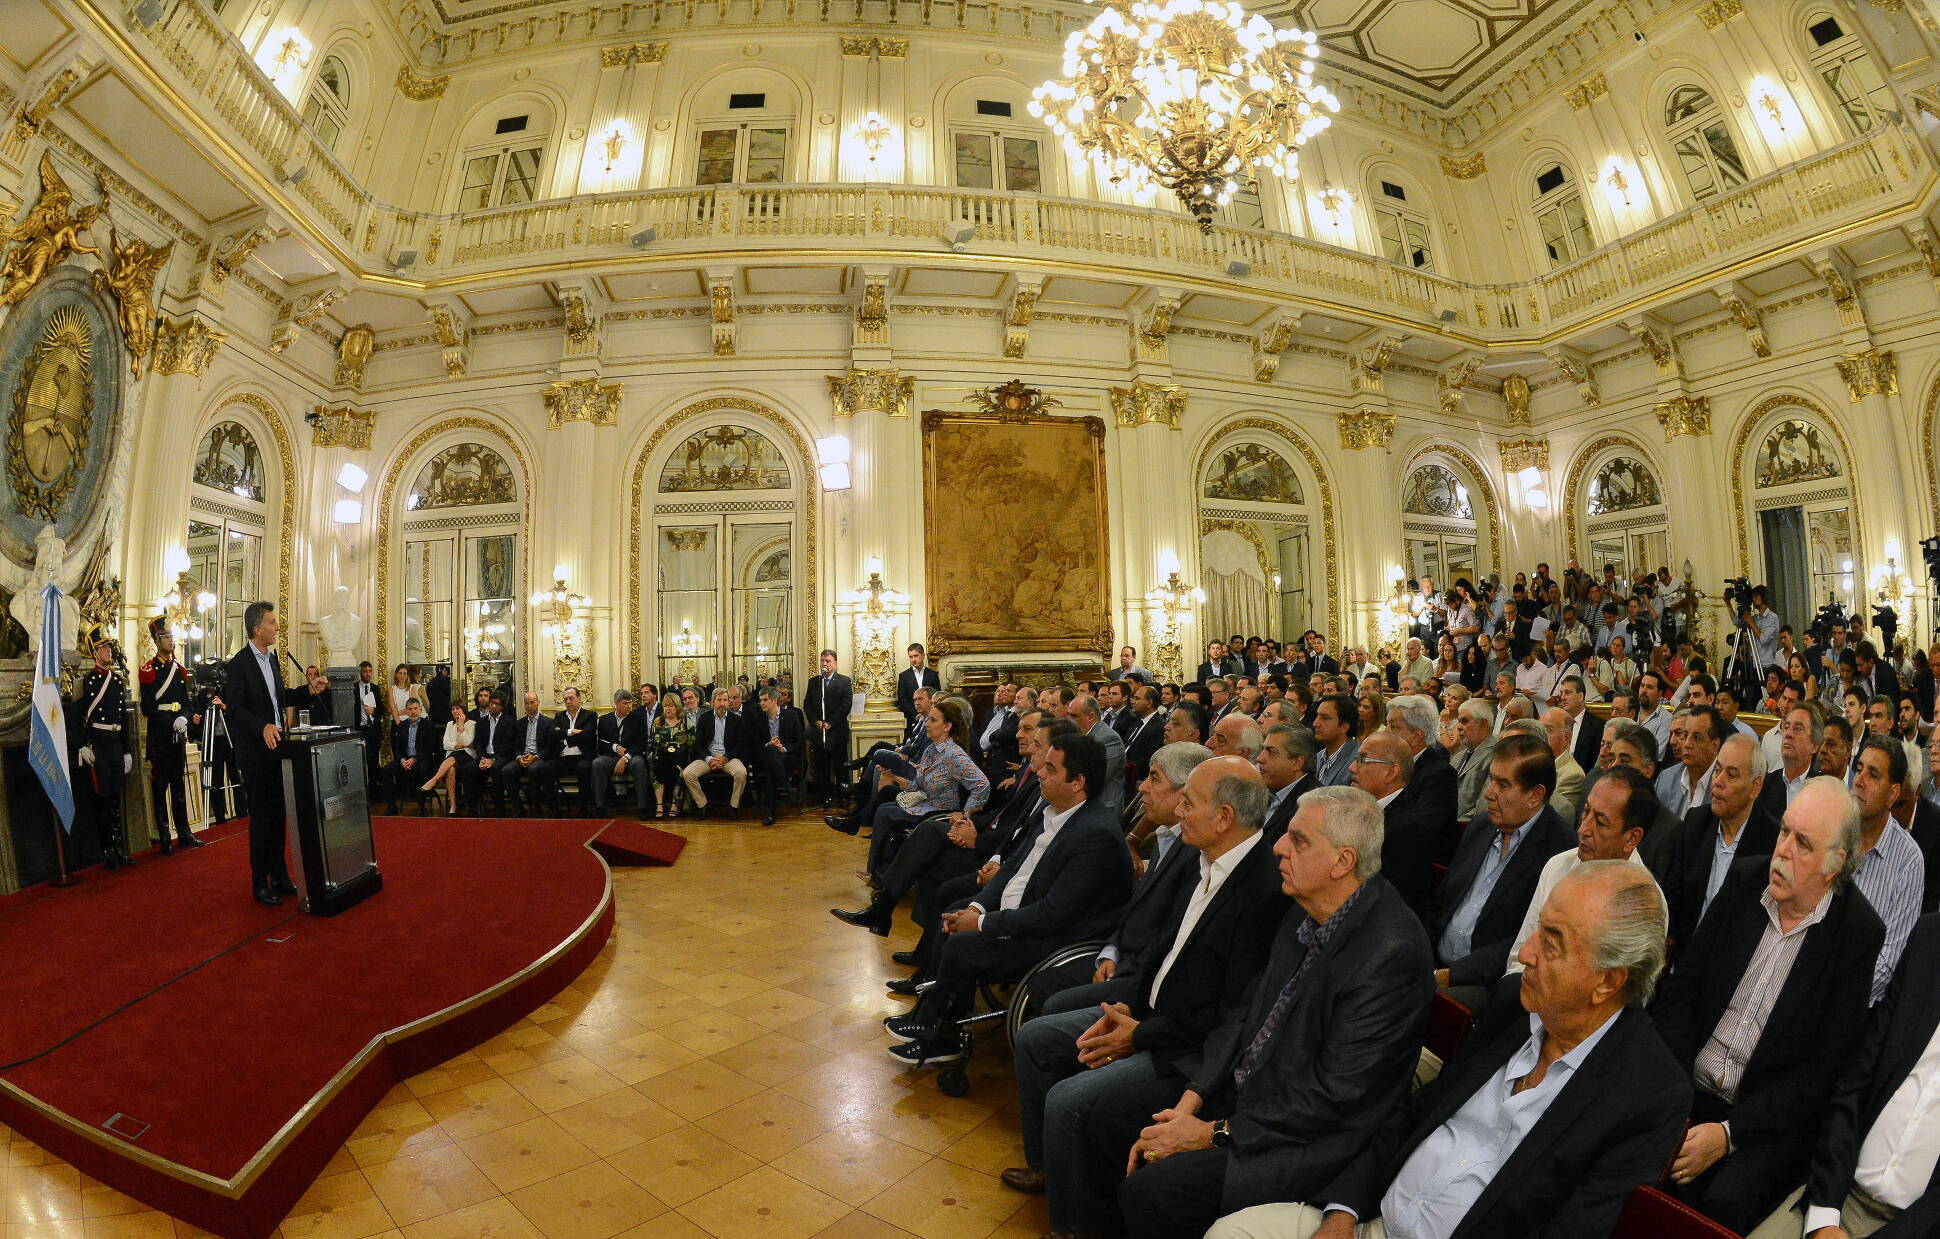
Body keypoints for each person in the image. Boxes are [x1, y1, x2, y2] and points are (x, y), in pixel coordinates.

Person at [1209, 862, 1687, 1239]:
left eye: (1554, 943)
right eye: (1539, 930)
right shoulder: (1512, 1006)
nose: (1527, 953)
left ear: (1607, 980)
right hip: (1369, 1224)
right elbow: (1414, 1115)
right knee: (1230, 1232)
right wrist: (1342, 1213)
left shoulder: (1647, 1093)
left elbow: (1573, 1230)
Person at [1097, 786, 1433, 1239]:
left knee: (1157, 1190)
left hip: (1304, 1140)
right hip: (1247, 1096)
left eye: (1298, 840)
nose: (1278, 846)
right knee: (1112, 1114)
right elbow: (1244, 1015)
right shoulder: (1305, 907)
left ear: (1343, 862)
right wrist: (1190, 1101)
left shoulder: (1391, 953)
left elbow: (1333, 1097)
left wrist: (1210, 1132)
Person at [1009, 757, 1293, 1234]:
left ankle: (1076, 1226)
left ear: (1224, 817)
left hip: (1184, 1047)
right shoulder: (1203, 860)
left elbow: (1229, 1014)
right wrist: (1128, 1006)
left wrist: (1139, 1035)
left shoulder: (1261, 890)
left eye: (1190, 801)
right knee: (1040, 1037)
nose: (1178, 810)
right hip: (1148, 1016)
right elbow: (1164, 952)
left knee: (1068, 1101)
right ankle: (1054, 1173)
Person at [1651, 777, 1885, 1233]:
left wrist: (1729, 1135)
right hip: (1684, 1084)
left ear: (1835, 864)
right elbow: (1683, 994)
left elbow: (1821, 1073)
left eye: (1803, 844)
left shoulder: (1856, 934)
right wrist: (1673, 1099)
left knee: (1722, 1208)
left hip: (1759, 1121)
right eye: (1784, 832)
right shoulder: (1745, 879)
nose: (1782, 852)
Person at [885, 733, 1134, 1066]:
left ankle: (940, 1032)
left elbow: (1052, 915)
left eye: (1051, 768)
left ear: (1078, 781)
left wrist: (983, 923)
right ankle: (932, 1016)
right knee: (955, 915)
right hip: (1026, 912)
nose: (1040, 773)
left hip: (1058, 940)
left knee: (964, 942)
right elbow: (1011, 867)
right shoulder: (1053, 811)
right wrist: (976, 907)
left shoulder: (1095, 834)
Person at [1760, 913, 1940, 1238]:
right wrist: (1824, 1217)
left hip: (1915, 1227)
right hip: (1838, 1195)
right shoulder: (1931, 938)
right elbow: (1853, 1086)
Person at [1428, 731, 1575, 1007]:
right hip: (1434, 963)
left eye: (1503, 784)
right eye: (1491, 779)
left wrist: (1448, 975)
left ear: (1535, 795)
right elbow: (1443, 899)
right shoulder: (1481, 826)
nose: (1489, 792)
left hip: (1488, 984)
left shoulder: (1560, 852)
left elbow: (1526, 941)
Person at [1504, 764, 1660, 977]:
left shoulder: (1646, 905)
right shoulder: (1557, 866)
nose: (1583, 829)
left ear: (1632, 838)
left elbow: (1623, 996)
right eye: (1586, 811)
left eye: (1601, 823)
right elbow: (1518, 959)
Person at [221, 602, 298, 904]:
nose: (277, 627)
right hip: (255, 753)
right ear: (257, 629)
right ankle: (260, 882)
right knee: (262, 818)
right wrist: (262, 726)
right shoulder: (239, 664)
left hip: (278, 748)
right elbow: (235, 708)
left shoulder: (273, 660)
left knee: (280, 815)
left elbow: (280, 698)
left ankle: (279, 875)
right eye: (272, 622)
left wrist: (310, 689)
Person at [1849, 735, 1925, 1005]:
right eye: (1858, 769)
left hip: (1856, 1007)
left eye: (1873, 774)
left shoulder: (1908, 860)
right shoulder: (1834, 833)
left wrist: (1835, 995)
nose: (1859, 780)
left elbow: (1887, 964)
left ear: (1893, 794)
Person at [1351, 729, 1436, 913]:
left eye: (1363, 759)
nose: (1352, 767)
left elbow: (1392, 903)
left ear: (1390, 772)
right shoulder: (1365, 809)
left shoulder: (1409, 829)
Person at [74, 624, 136, 868]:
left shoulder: (117, 680)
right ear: (94, 653)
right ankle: (107, 850)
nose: (109, 651)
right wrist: (82, 746)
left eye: (109, 646)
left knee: (114, 798)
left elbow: (123, 720)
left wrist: (128, 750)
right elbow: (76, 719)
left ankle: (118, 847)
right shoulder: (86, 682)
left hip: (115, 745)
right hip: (98, 745)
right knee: (102, 798)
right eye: (103, 648)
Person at [139, 616, 201, 853]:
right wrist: (171, 722)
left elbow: (186, 701)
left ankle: (184, 832)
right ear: (157, 640)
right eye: (166, 637)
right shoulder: (149, 670)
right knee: (160, 786)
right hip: (160, 737)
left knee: (178, 785)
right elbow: (148, 708)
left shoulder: (179, 670)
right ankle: (165, 835)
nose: (171, 641)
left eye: (172, 637)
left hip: (178, 734)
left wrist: (184, 718)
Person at [682, 688, 749, 815]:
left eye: (725, 700)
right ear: (712, 702)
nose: (722, 703)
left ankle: (734, 806)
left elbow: (739, 746)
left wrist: (724, 758)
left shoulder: (737, 720)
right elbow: (699, 745)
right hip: (708, 757)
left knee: (741, 773)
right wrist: (709, 759)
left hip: (728, 757)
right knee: (688, 773)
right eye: (719, 700)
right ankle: (703, 805)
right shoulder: (704, 718)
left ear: (729, 702)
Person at [803, 649, 853, 805]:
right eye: (822, 660)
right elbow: (807, 705)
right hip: (819, 733)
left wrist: (831, 723)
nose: (824, 664)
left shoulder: (844, 681)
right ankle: (824, 796)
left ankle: (843, 796)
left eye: (828, 661)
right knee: (822, 767)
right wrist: (816, 721)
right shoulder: (814, 681)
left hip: (837, 731)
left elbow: (846, 706)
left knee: (841, 767)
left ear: (835, 663)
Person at [587, 689, 648, 813]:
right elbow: (600, 743)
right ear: (616, 703)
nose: (629, 706)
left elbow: (641, 743)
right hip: (611, 756)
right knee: (597, 763)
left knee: (639, 763)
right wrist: (615, 747)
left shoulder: (638, 718)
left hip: (631, 756)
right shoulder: (604, 720)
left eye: (630, 703)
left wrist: (625, 758)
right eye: (625, 703)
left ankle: (642, 807)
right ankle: (600, 807)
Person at [498, 690, 559, 814]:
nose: (529, 706)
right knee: (506, 771)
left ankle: (536, 807)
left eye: (532, 702)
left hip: (539, 758)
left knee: (534, 769)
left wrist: (535, 757)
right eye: (527, 703)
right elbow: (515, 746)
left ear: (538, 702)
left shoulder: (548, 722)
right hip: (523, 757)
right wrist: (519, 757)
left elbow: (550, 748)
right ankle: (519, 808)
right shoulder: (519, 723)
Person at [419, 702, 474, 814]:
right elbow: (445, 744)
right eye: (453, 709)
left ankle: (434, 780)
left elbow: (467, 742)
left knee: (453, 757)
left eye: (457, 708)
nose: (455, 711)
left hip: (467, 756)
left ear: (463, 710)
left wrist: (460, 726)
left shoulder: (472, 724)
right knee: (451, 770)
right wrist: (456, 745)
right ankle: (452, 806)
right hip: (452, 756)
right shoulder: (449, 724)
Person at [551, 686, 598, 811]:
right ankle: (553, 810)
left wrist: (564, 735)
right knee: (545, 768)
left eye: (571, 698)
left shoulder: (590, 715)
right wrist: (572, 731)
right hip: (562, 757)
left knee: (583, 769)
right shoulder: (559, 716)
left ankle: (584, 809)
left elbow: (587, 736)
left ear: (579, 698)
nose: (568, 702)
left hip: (582, 757)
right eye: (565, 699)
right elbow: (553, 735)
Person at [648, 695, 695, 818]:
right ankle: (659, 804)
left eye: (671, 706)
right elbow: (655, 741)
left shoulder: (685, 720)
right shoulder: (659, 721)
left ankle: (675, 803)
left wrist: (679, 749)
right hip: (662, 753)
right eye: (665, 706)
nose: (668, 709)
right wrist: (666, 748)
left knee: (678, 765)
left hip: (681, 754)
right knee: (658, 765)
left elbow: (691, 742)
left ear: (678, 707)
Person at [385, 698, 434, 812]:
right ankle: (392, 806)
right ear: (406, 711)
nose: (413, 711)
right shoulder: (402, 726)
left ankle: (421, 808)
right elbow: (397, 748)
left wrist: (415, 759)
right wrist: (402, 760)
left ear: (420, 709)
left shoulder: (428, 725)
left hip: (421, 759)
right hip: (405, 760)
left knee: (422, 770)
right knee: (386, 771)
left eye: (416, 708)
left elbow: (429, 748)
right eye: (410, 709)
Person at [465, 692, 510, 813]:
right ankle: (473, 808)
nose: (493, 706)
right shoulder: (481, 721)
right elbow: (478, 743)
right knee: (469, 768)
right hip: (485, 757)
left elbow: (507, 746)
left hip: (500, 757)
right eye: (492, 703)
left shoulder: (508, 722)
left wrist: (493, 759)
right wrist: (482, 758)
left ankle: (500, 809)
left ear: (502, 706)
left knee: (495, 769)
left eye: (497, 704)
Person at [352, 660, 383, 790]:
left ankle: (373, 788)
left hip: (373, 730)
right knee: (358, 759)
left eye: (370, 671)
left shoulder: (375, 688)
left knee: (373, 760)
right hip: (360, 729)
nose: (368, 674)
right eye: (365, 671)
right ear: (360, 673)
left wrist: (374, 710)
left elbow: (382, 709)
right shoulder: (353, 688)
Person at [895, 642, 940, 727]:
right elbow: (902, 700)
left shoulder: (933, 675)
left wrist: (928, 714)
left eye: (916, 656)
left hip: (931, 719)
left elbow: (937, 696)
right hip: (912, 719)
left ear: (923, 655)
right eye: (911, 657)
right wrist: (916, 714)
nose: (913, 659)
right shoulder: (904, 676)